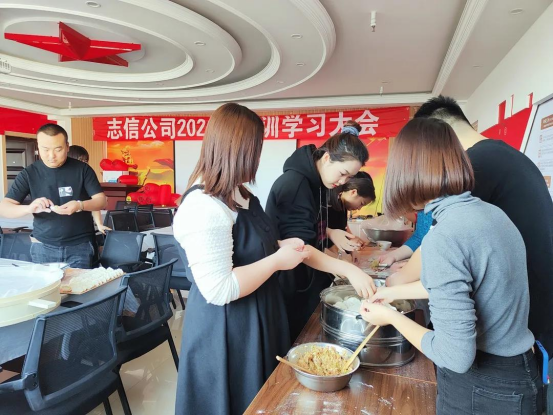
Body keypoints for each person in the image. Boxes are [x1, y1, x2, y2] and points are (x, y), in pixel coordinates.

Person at [173, 103, 376, 415]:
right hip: (227, 329)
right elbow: (219, 289)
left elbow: (252, 246)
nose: (257, 160)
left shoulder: (240, 194)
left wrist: (281, 245)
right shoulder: (204, 206)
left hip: (259, 314)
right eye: (255, 150)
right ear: (236, 150)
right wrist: (278, 259)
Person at [361, 117, 543, 415]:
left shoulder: (445, 236)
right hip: (519, 373)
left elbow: (454, 356)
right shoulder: (493, 214)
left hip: (483, 388)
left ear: (405, 174)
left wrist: (390, 317)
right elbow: (464, 285)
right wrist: (392, 294)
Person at [414, 96, 553, 360]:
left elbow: (441, 237)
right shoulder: (503, 155)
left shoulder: (473, 166)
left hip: (516, 322)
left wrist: (396, 282)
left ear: (438, 135)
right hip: (532, 304)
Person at [266, 120, 375, 340]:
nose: (343, 182)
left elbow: (314, 233)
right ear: (326, 158)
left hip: (305, 281)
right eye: (342, 173)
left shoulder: (318, 184)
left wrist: (331, 234)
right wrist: (349, 270)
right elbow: (300, 247)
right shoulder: (296, 185)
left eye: (349, 178)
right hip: (287, 285)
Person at [0, 124, 107, 268]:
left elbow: (101, 201)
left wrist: (80, 205)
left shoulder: (82, 170)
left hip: (80, 247)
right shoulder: (29, 173)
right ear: (38, 147)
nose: (51, 156)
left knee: (80, 283)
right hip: (42, 247)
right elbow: (4, 207)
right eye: (45, 149)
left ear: (67, 147)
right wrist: (29, 208)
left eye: (58, 149)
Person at [326, 170, 376, 251]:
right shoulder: (327, 203)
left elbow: (343, 228)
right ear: (353, 192)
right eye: (361, 203)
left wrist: (352, 239)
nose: (359, 208)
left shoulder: (343, 205)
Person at [67, 145, 111, 235]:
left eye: (86, 161)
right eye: (80, 160)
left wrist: (99, 224)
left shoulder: (87, 177)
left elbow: (95, 203)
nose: (84, 164)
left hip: (83, 228)